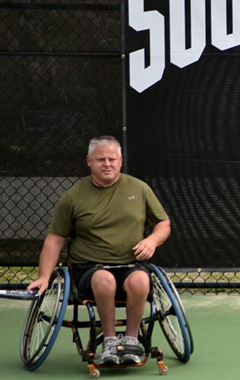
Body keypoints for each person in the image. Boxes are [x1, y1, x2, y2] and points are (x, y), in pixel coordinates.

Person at [27, 136, 171, 366]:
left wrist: (152, 241)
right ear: (89, 161)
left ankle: (132, 340)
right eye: (100, 159)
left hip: (129, 265)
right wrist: (44, 277)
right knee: (105, 279)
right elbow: (55, 240)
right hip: (88, 270)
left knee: (142, 280)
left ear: (120, 160)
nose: (107, 164)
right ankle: (110, 340)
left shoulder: (139, 189)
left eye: (112, 159)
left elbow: (163, 224)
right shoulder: (73, 197)